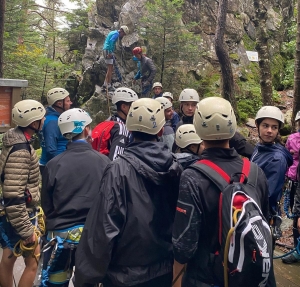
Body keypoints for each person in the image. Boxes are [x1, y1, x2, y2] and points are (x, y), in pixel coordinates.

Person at [75, 98, 182, 287]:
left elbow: (103, 228)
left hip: (124, 275)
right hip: (165, 269)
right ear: (160, 130)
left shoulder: (118, 170)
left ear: (129, 129)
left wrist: (86, 277)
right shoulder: (175, 167)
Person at [172, 97, 276, 287]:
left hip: (206, 277)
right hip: (248, 274)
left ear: (198, 127)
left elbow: (184, 247)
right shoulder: (255, 172)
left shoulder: (192, 176)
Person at [41, 108, 110, 286]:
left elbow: (46, 204)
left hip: (60, 237)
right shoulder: (104, 163)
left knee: (55, 282)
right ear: (86, 129)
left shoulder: (53, 164)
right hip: (92, 239)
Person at [0, 99, 46, 287]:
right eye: (41, 119)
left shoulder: (16, 139)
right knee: (32, 263)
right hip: (20, 214)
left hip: (9, 213)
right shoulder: (21, 150)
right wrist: (27, 231)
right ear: (34, 123)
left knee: (8, 258)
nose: (44, 121)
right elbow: (14, 193)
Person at [251, 106, 293, 215]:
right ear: (257, 125)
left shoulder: (277, 159)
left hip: (263, 213)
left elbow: (268, 195)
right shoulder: (259, 148)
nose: (269, 131)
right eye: (265, 126)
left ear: (278, 130)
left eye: (274, 127)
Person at [92, 87, 138, 160]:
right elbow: (116, 160)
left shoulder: (109, 120)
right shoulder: (121, 129)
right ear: (123, 107)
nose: (136, 109)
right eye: (133, 106)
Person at [39, 87, 72, 175]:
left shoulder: (52, 118)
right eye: (68, 101)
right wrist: (61, 166)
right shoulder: (53, 122)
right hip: (55, 165)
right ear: (59, 103)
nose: (70, 103)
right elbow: (51, 149)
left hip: (53, 163)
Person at [281, 112, 300, 264]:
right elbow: (288, 157)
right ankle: (297, 249)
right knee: (295, 216)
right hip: (293, 180)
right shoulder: (292, 138)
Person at [102, 25, 129, 92]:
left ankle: (105, 84)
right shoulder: (116, 34)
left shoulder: (113, 32)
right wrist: (110, 52)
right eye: (124, 34)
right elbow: (111, 41)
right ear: (122, 31)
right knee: (110, 68)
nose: (123, 36)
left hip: (106, 50)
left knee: (109, 68)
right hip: (108, 51)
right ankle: (108, 85)